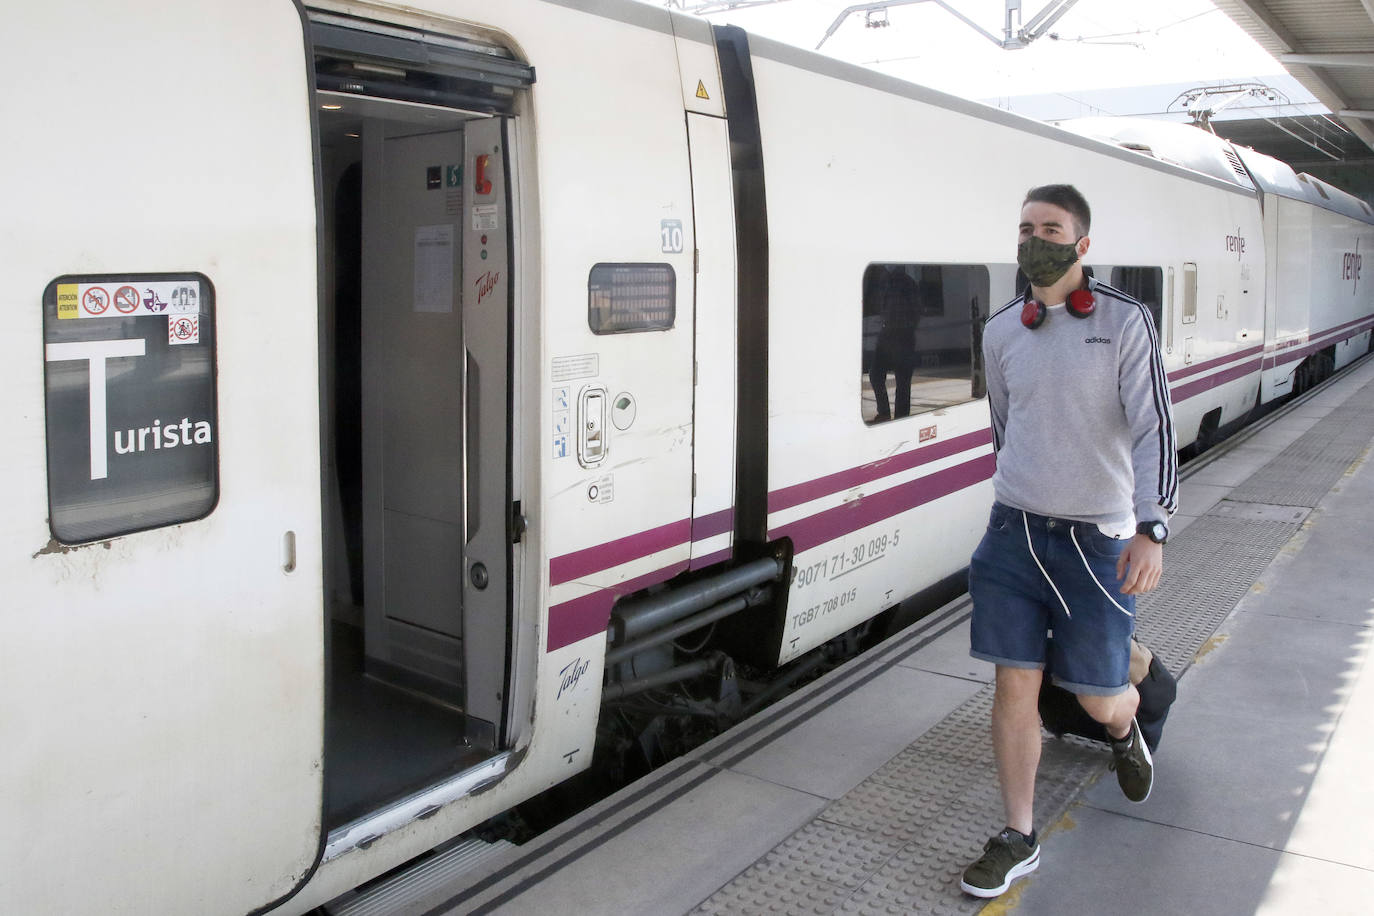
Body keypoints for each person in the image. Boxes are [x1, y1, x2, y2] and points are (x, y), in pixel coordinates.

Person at [959, 184, 1177, 899]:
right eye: (1025, 227)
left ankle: (1129, 711)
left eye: (1050, 227)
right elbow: (1005, 426)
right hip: (1013, 532)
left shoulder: (1125, 322)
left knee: (1096, 697)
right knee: (1013, 683)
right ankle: (1018, 837)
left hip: (1098, 540)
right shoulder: (1001, 330)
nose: (1034, 239)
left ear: (1083, 244)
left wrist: (1152, 527)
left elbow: (1152, 429)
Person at [867, 266, 920, 420]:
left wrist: (905, 327)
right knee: (881, 375)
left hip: (900, 334)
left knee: (898, 379)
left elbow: (916, 310)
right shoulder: (890, 282)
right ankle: (893, 415)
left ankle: (892, 415)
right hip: (893, 333)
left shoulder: (904, 283)